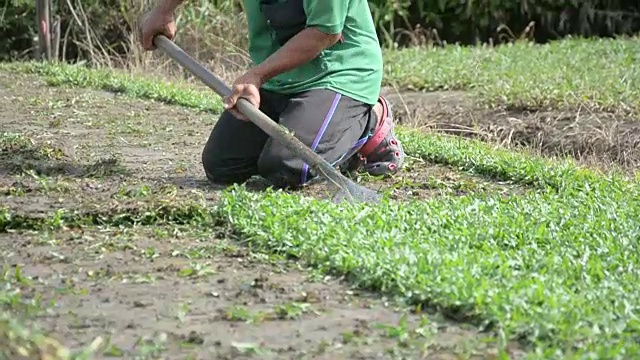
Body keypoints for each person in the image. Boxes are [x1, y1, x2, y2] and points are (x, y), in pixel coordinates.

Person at [139, 0, 405, 190]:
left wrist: (256, 76)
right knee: (223, 166)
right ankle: (320, 130)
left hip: (338, 76)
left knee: (288, 168)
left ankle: (369, 122)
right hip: (280, 78)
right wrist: (164, 10)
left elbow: (324, 32)